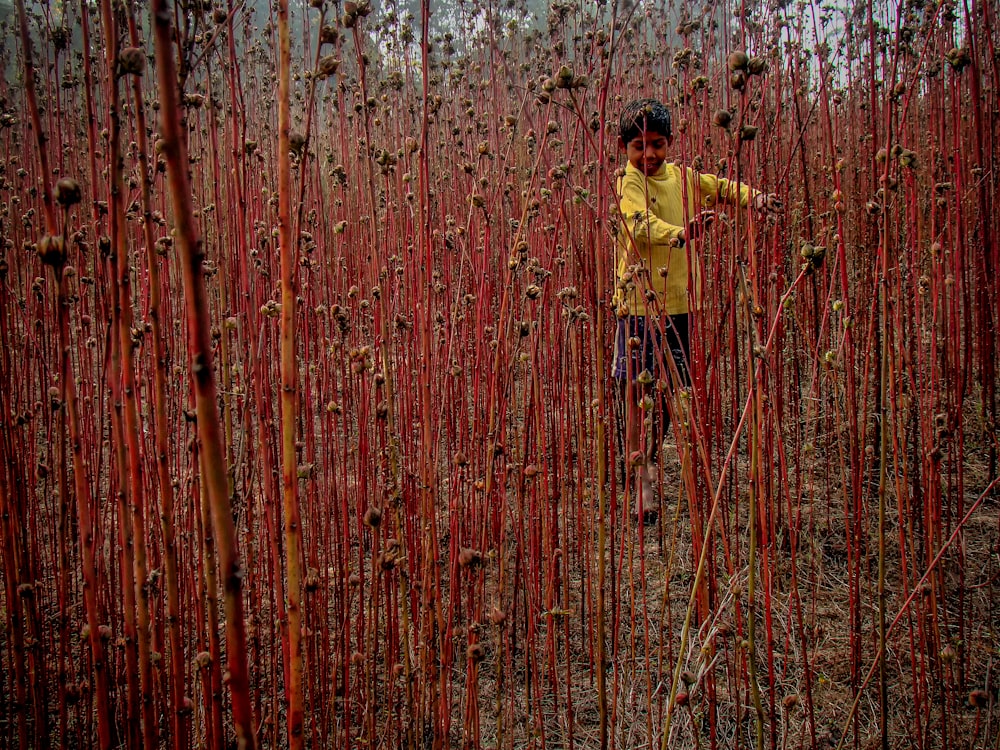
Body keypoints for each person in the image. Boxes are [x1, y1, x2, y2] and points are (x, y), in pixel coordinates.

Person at [612, 98, 780, 524]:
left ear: (669, 143)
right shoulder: (629, 184)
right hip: (637, 305)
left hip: (681, 304)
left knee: (670, 393)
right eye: (638, 146)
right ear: (624, 149)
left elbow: (722, 187)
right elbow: (638, 225)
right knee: (636, 392)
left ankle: (648, 458)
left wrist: (756, 199)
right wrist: (681, 234)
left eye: (657, 144)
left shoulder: (685, 179)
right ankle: (641, 482)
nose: (648, 155)